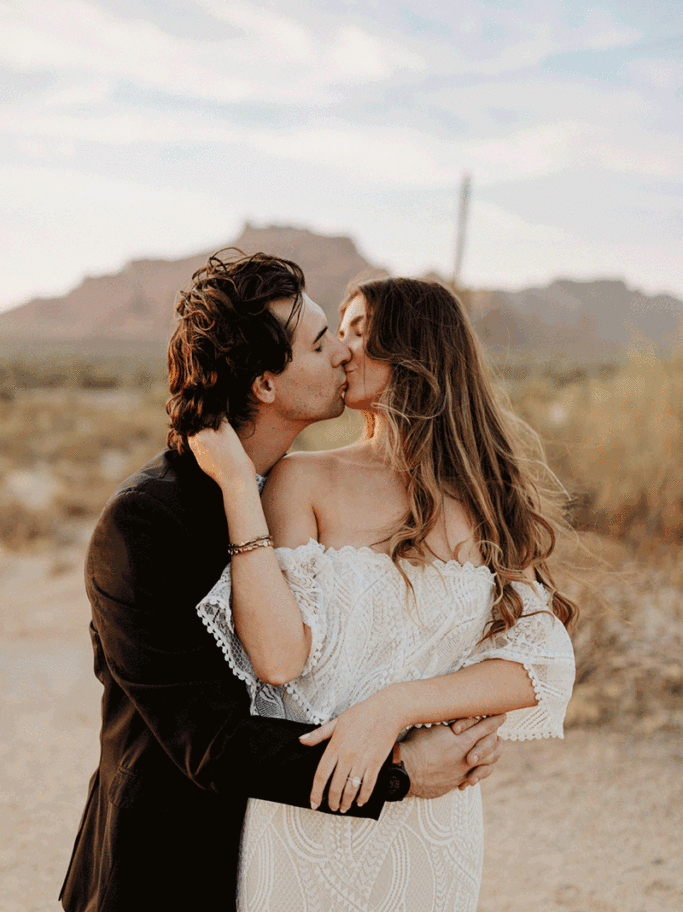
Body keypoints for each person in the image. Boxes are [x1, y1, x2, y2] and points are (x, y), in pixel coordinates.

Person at [59, 252, 505, 912]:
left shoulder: (315, 492)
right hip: (172, 871)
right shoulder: (144, 525)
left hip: (316, 863)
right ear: (266, 383)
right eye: (322, 342)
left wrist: (447, 711)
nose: (344, 356)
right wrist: (402, 772)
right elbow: (211, 742)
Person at [191, 274, 578, 912]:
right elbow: (279, 659)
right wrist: (238, 486)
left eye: (360, 334)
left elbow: (542, 665)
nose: (342, 351)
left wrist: (393, 708)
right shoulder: (301, 480)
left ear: (417, 353)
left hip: (435, 817)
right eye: (335, 336)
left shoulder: (485, 497)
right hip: (311, 813)